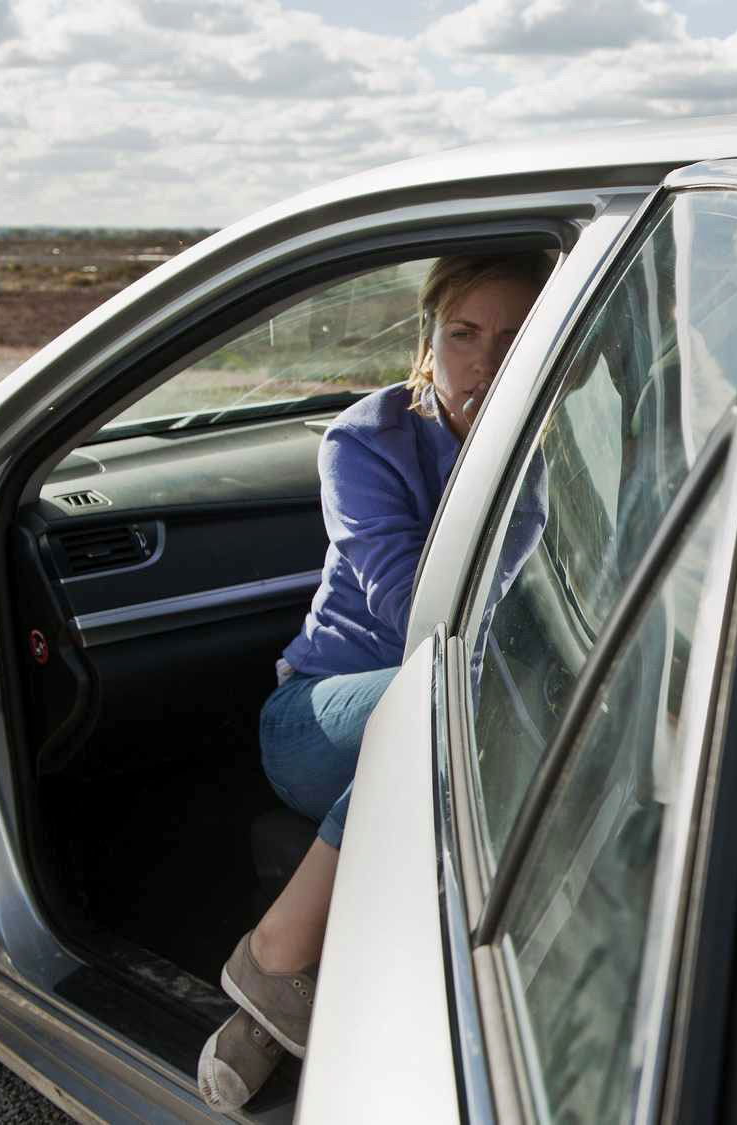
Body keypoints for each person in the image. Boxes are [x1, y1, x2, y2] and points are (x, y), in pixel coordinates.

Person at [196, 250, 552, 1109]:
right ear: (428, 342)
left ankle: (290, 1011)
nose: (486, 361)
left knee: (501, 714)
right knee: (454, 690)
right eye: (463, 334)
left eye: (514, 340)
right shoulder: (367, 439)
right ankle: (277, 952)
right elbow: (418, 613)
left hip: (470, 706)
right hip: (319, 718)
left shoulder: (562, 441)